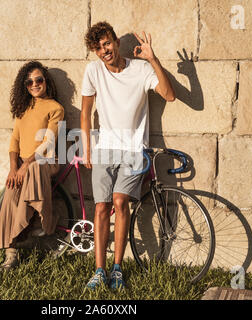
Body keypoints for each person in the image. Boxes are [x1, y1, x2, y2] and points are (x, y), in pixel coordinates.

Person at [80, 22, 175, 289]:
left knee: (120, 202)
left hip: (134, 150)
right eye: (98, 48)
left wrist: (153, 59)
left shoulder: (141, 69)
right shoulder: (93, 70)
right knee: (101, 207)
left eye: (107, 43)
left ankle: (117, 269)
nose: (104, 50)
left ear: (116, 42)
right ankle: (99, 270)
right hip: (105, 148)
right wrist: (87, 148)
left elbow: (169, 95)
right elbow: (85, 113)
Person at [0, 61, 64, 270]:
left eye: (39, 80)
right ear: (24, 85)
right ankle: (11, 254)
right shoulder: (22, 109)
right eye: (30, 82)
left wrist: (26, 165)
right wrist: (13, 168)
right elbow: (14, 140)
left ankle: (41, 221)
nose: (35, 84)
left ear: (46, 82)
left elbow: (49, 142)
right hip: (23, 164)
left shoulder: (55, 108)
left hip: (45, 161)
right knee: (11, 194)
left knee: (32, 169)